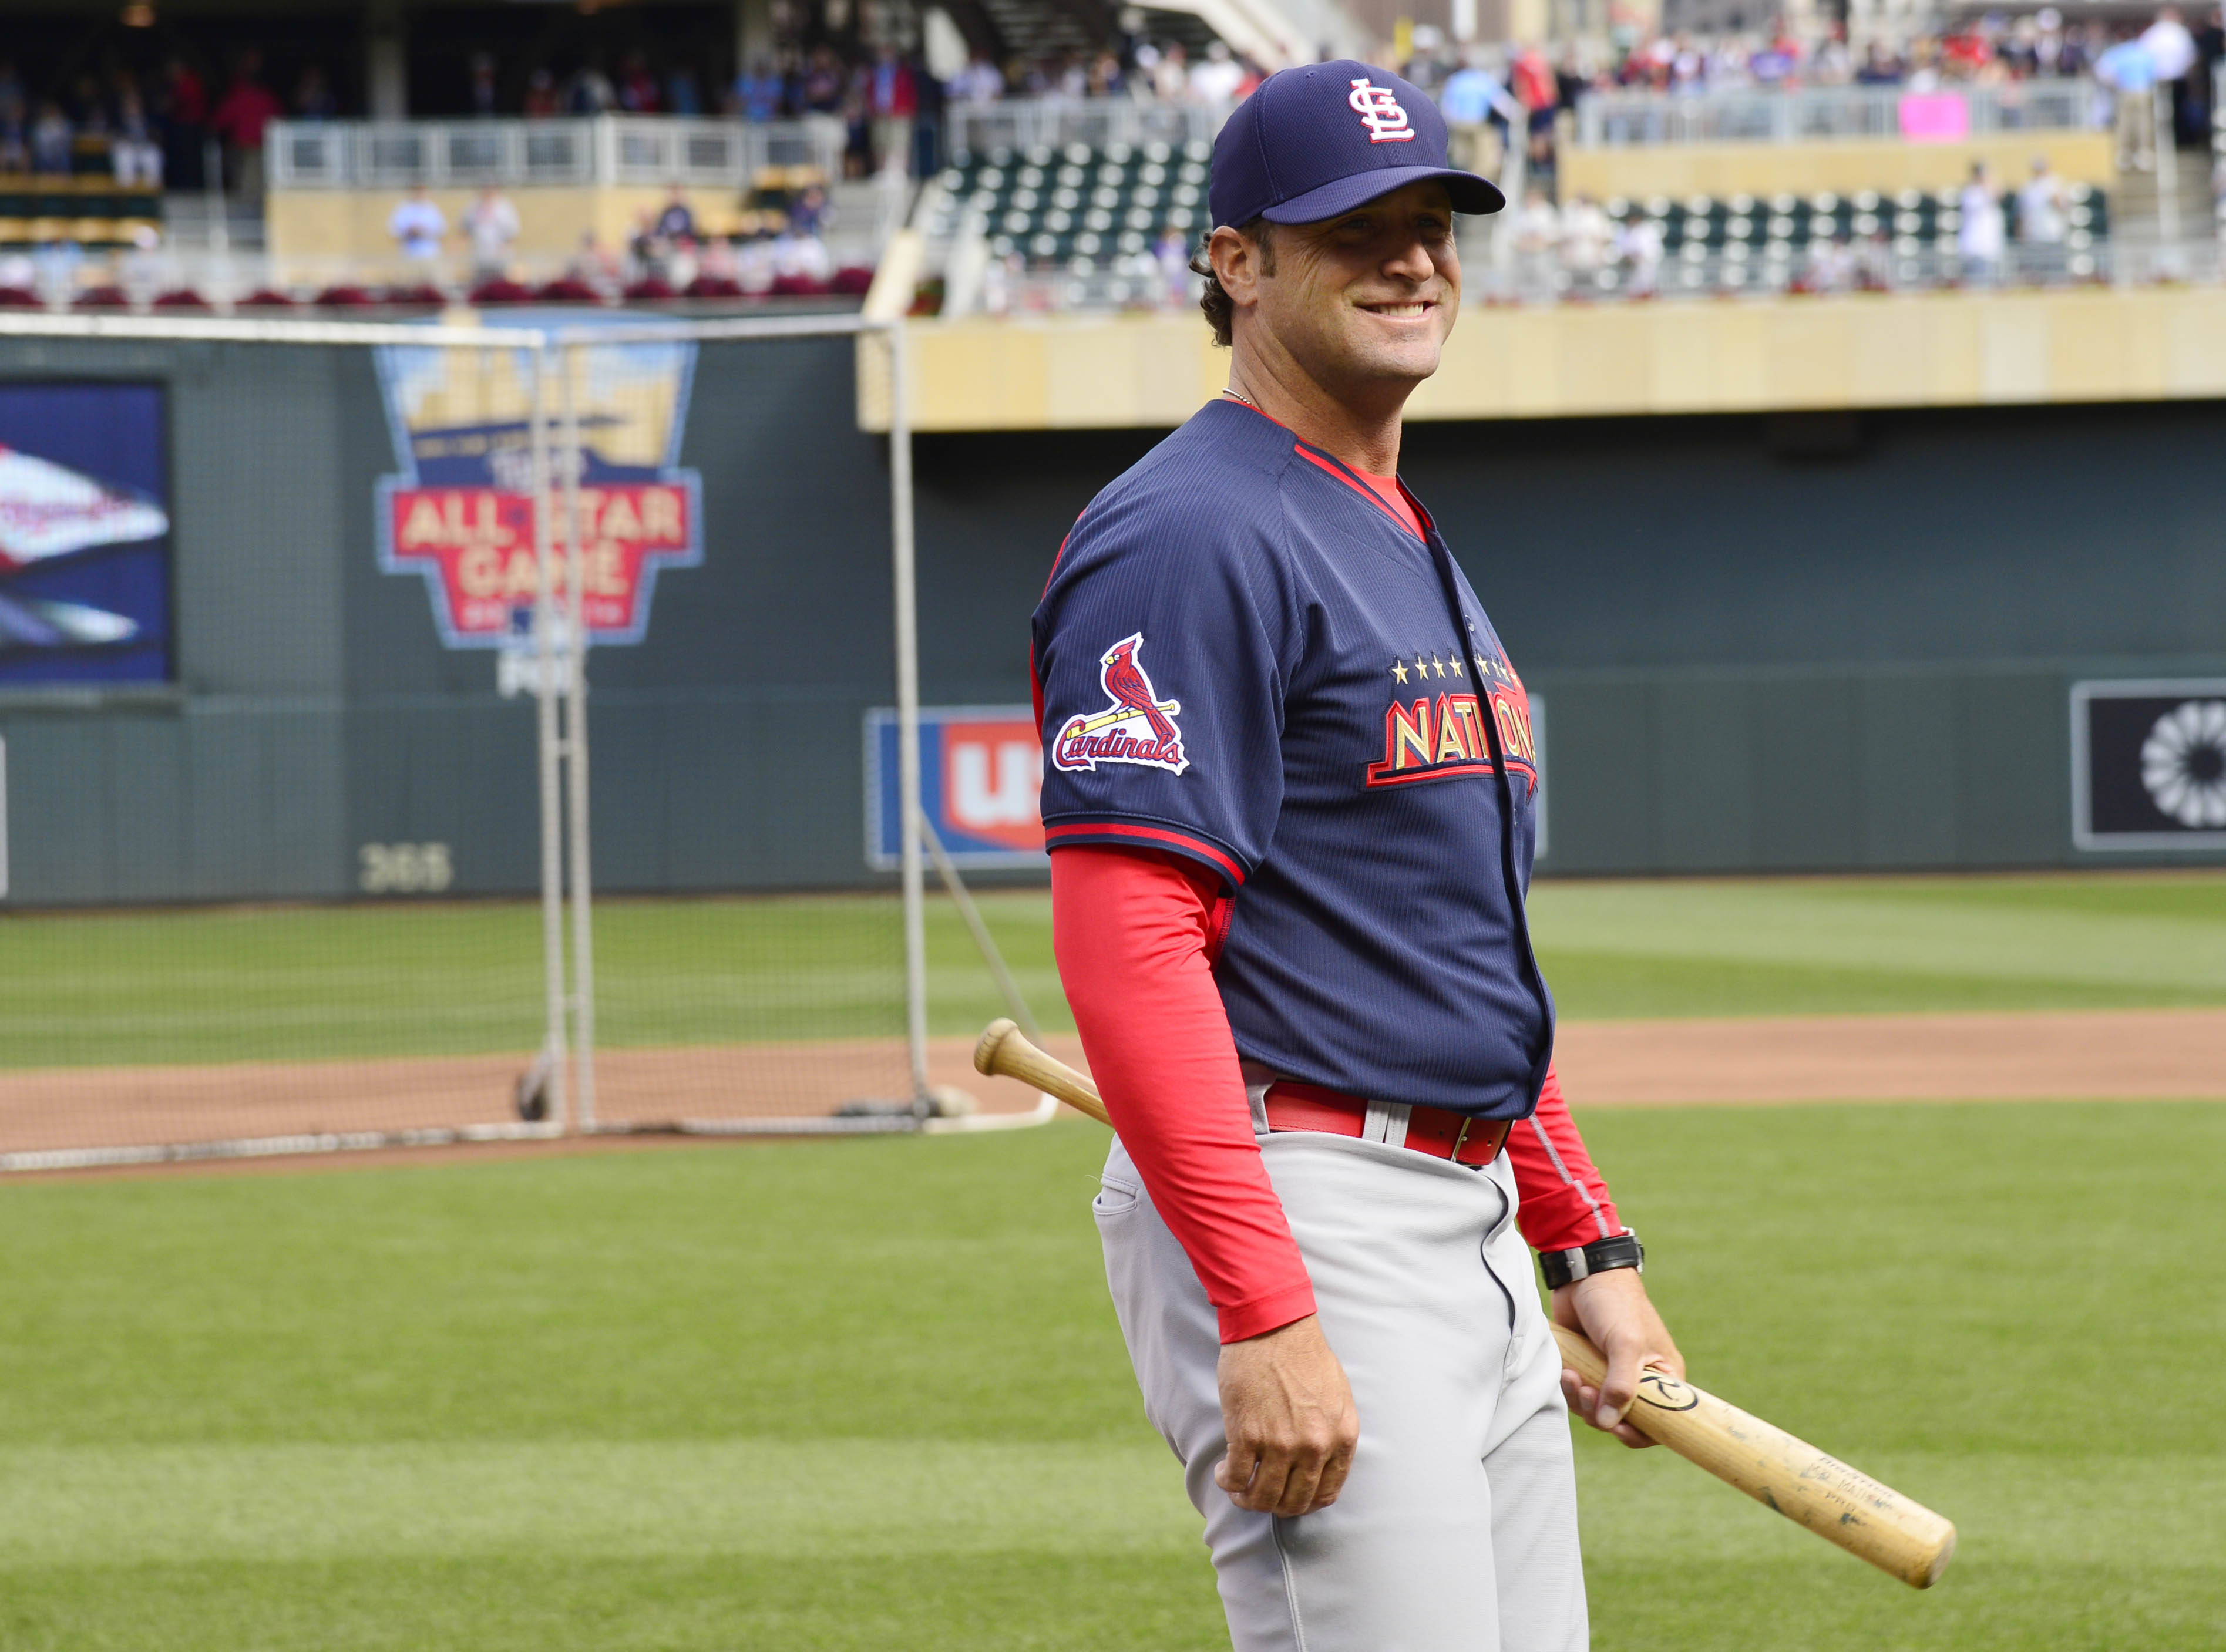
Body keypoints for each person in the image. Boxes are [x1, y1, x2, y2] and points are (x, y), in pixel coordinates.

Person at [1033, 61, 1680, 1652]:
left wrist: (1581, 1240)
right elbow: (1129, 936)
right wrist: (1260, 1307)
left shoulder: (1388, 526)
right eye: (1351, 227)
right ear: (1235, 261)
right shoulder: (1190, 528)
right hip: (1301, 1198)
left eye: (1432, 220)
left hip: (1457, 1214)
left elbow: (1440, 946)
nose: (1409, 257)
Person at [2094, 28, 2160, 171]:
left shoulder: (2119, 53)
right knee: (2143, 123)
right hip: (2143, 91)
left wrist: (2114, 84)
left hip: (2126, 91)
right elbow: (2154, 74)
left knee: (2125, 123)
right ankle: (2144, 153)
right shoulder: (2145, 53)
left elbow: (2103, 71)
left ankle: (2124, 154)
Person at [1958, 160, 2006, 282]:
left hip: (1988, 248)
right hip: (1977, 248)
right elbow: (1997, 194)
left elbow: (2000, 193)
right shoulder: (1971, 193)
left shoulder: (1983, 191)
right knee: (1979, 285)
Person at [462, 186, 521, 282]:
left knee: (500, 283)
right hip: (480, 256)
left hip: (499, 256)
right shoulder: (474, 207)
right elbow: (465, 229)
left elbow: (512, 232)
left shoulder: (505, 208)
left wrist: (504, 249)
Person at [388, 184, 446, 264]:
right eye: (417, 191)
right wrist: (410, 232)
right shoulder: (403, 209)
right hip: (410, 254)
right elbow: (394, 232)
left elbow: (442, 231)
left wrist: (424, 231)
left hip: (430, 255)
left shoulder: (432, 208)